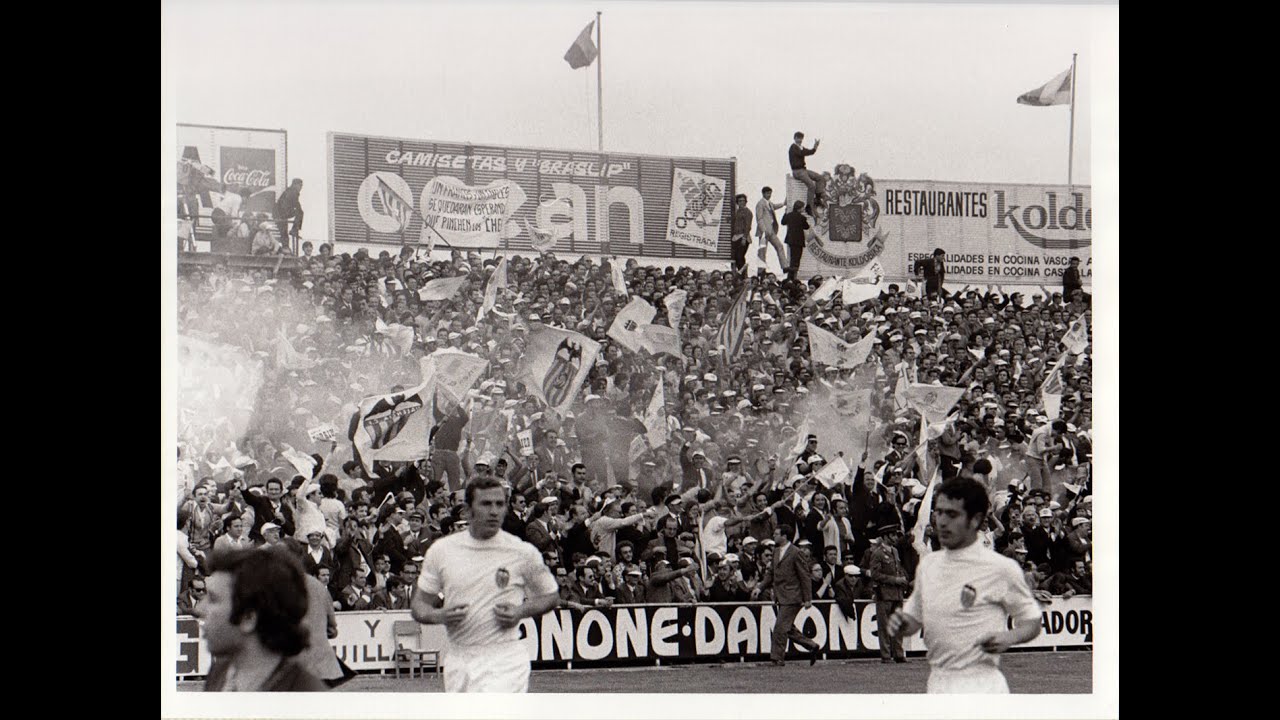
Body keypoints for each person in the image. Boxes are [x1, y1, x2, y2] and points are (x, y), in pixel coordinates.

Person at [885, 477, 1043, 694]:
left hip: (981, 684)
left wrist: (1008, 637)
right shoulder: (928, 565)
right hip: (938, 682)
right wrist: (903, 623)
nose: (941, 521)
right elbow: (914, 619)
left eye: (952, 514)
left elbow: (1032, 622)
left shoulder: (1000, 568)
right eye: (939, 512)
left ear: (975, 519)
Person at [410, 476, 560, 693]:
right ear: (468, 509)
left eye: (499, 504)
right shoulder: (442, 551)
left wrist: (520, 611)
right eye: (486, 504)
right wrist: (439, 616)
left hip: (504, 657)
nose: (494, 511)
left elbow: (551, 596)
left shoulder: (521, 551)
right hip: (459, 657)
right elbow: (419, 606)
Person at [197, 547, 328, 692]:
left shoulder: (305, 697)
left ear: (248, 618)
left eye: (213, 599)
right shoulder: (220, 672)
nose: (199, 609)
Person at [758, 523, 820, 666]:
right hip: (781, 596)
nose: (774, 535)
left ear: (784, 536)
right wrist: (760, 587)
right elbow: (771, 573)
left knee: (780, 627)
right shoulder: (775, 551)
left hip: (792, 596)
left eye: (776, 533)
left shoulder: (796, 552)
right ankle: (811, 645)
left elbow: (804, 576)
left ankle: (777, 658)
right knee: (787, 627)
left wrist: (807, 598)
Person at [863, 522, 909, 663]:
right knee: (884, 625)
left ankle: (899, 653)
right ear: (885, 536)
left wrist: (903, 579)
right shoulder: (877, 553)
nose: (895, 538)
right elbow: (875, 575)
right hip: (884, 593)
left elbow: (898, 568)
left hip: (897, 593)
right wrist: (895, 580)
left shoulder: (894, 551)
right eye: (893, 535)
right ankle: (886, 654)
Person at [754, 186, 789, 270]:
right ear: (763, 193)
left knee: (779, 246)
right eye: (767, 193)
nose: (769, 195)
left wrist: (783, 203)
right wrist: (764, 230)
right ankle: (761, 270)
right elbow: (759, 218)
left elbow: (774, 206)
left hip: (772, 230)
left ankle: (785, 266)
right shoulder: (760, 204)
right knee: (762, 251)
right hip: (764, 231)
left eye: (770, 193)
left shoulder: (769, 203)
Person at [788, 132, 825, 204]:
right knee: (811, 185)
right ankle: (809, 205)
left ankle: (818, 198)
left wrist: (815, 147)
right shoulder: (793, 147)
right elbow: (801, 153)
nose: (800, 140)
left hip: (803, 170)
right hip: (797, 171)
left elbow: (810, 152)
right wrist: (804, 149)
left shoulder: (800, 147)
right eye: (798, 138)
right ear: (794, 138)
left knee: (820, 178)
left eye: (801, 138)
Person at [781, 201, 810, 283]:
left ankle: (790, 277)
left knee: (793, 259)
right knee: (796, 260)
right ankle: (791, 275)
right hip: (799, 241)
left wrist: (785, 213)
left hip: (790, 240)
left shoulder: (789, 215)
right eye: (802, 207)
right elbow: (806, 227)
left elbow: (783, 222)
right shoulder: (802, 218)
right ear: (799, 208)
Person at [274, 178, 305, 247]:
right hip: (282, 213)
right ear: (295, 185)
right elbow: (297, 204)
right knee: (300, 213)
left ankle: (286, 247)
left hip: (281, 213)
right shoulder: (293, 192)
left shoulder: (289, 191)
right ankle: (294, 230)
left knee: (284, 233)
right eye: (300, 185)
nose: (301, 187)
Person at [731, 194, 753, 275]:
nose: (742, 202)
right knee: (736, 257)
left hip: (743, 236)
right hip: (736, 237)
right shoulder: (737, 211)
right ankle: (739, 274)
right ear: (737, 202)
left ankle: (743, 274)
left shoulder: (748, 212)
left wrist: (744, 238)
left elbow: (748, 226)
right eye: (740, 201)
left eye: (743, 201)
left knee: (740, 256)